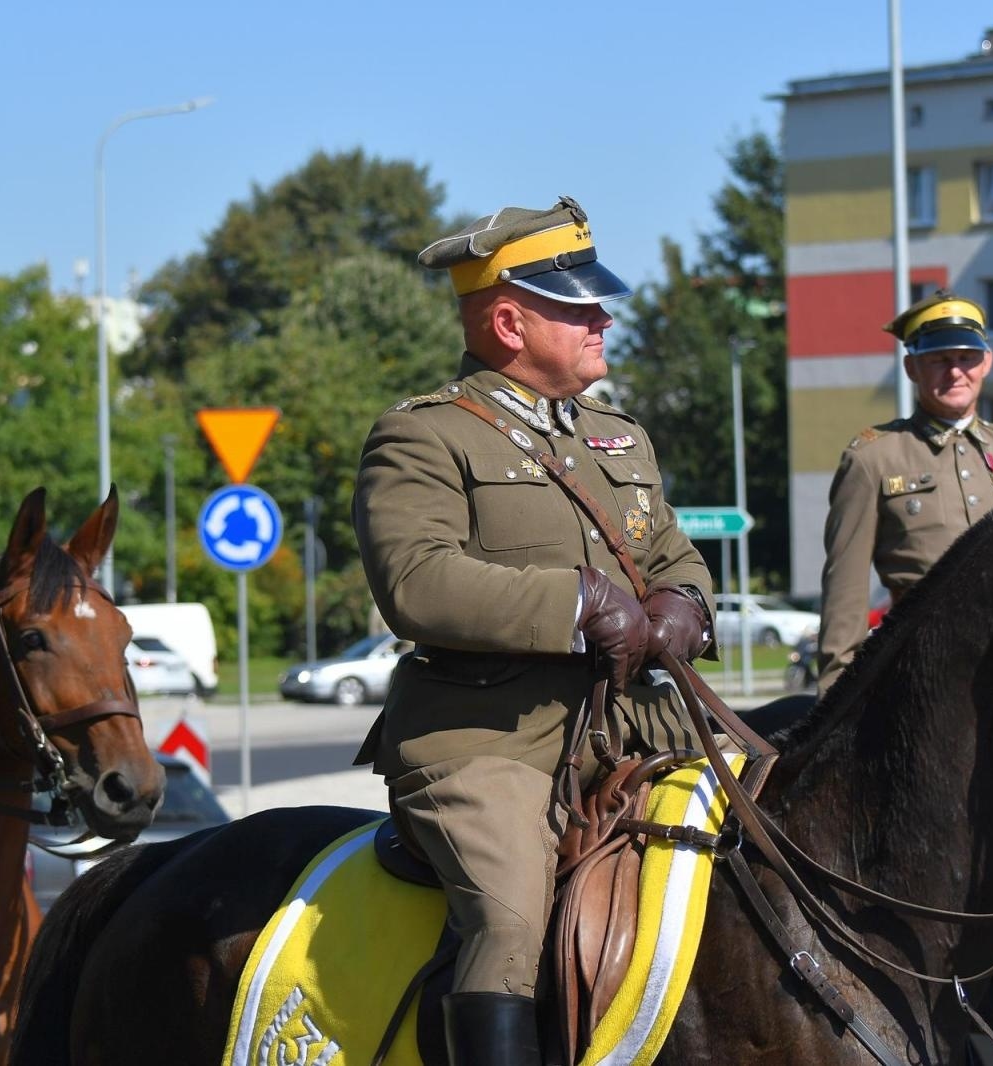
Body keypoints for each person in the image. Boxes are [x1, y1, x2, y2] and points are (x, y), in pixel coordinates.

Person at [353, 197, 715, 1065]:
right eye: (578, 308)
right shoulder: (424, 435)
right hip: (490, 742)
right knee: (510, 920)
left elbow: (676, 556)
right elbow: (415, 583)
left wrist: (682, 608)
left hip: (638, 726)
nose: (603, 320)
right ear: (510, 323)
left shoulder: (619, 439)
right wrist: (578, 603)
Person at [816, 289, 993, 695]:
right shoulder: (873, 459)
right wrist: (836, 698)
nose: (955, 372)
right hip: (924, 669)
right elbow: (845, 593)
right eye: (939, 360)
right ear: (912, 367)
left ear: (987, 362)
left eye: (966, 358)